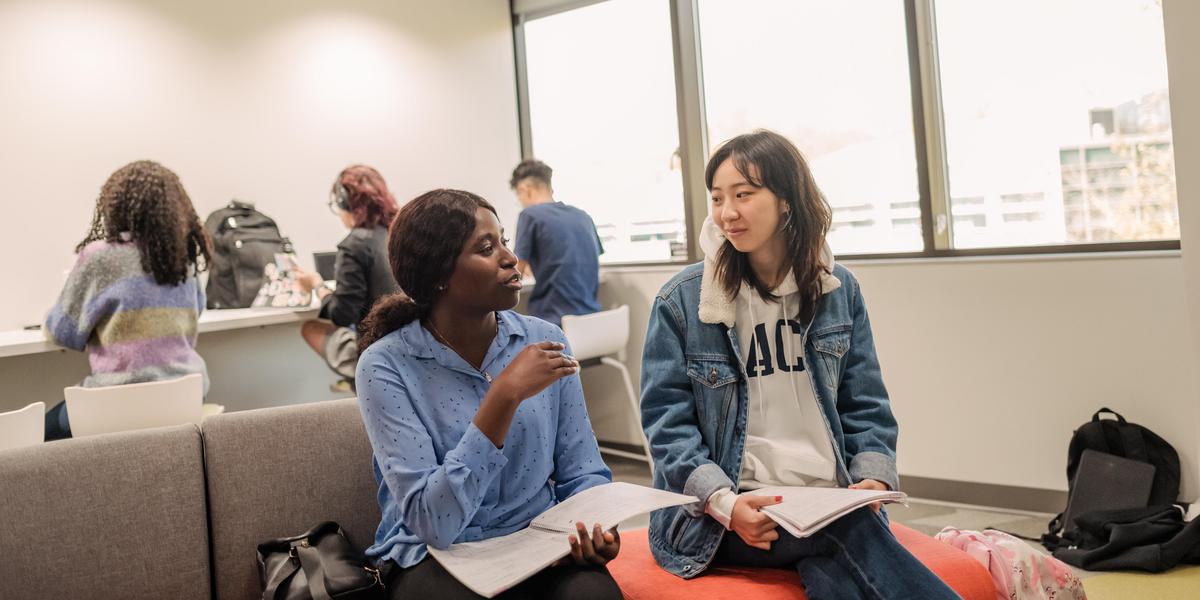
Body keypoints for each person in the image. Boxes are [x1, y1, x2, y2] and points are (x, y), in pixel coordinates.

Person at [639, 130, 960, 599]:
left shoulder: (836, 289)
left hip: (828, 498)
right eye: (718, 198)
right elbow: (667, 429)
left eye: (743, 195)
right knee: (843, 533)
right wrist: (728, 507)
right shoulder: (683, 301)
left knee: (836, 556)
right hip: (722, 513)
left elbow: (865, 402)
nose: (727, 212)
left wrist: (871, 476)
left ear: (786, 201)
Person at [354, 189, 623, 599]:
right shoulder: (386, 365)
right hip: (434, 554)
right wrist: (503, 396)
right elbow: (434, 522)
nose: (509, 258)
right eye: (485, 248)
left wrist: (597, 524)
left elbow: (582, 470)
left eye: (504, 241)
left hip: (536, 543)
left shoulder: (545, 340)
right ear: (438, 274)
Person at [43, 160, 211, 440]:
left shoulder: (100, 256)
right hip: (184, 397)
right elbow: (198, 310)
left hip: (116, 402)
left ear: (115, 205)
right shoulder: (182, 258)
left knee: (37, 434)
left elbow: (64, 332)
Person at [294, 165, 401, 388]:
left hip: (375, 351)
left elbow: (342, 315)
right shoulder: (399, 232)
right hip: (408, 346)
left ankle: (359, 378)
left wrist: (317, 285)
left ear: (344, 203)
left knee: (310, 328)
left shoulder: (354, 245)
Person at [509, 159, 602, 327]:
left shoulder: (530, 215)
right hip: (592, 321)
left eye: (519, 197)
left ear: (525, 190)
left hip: (554, 322)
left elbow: (514, 274)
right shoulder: (583, 216)